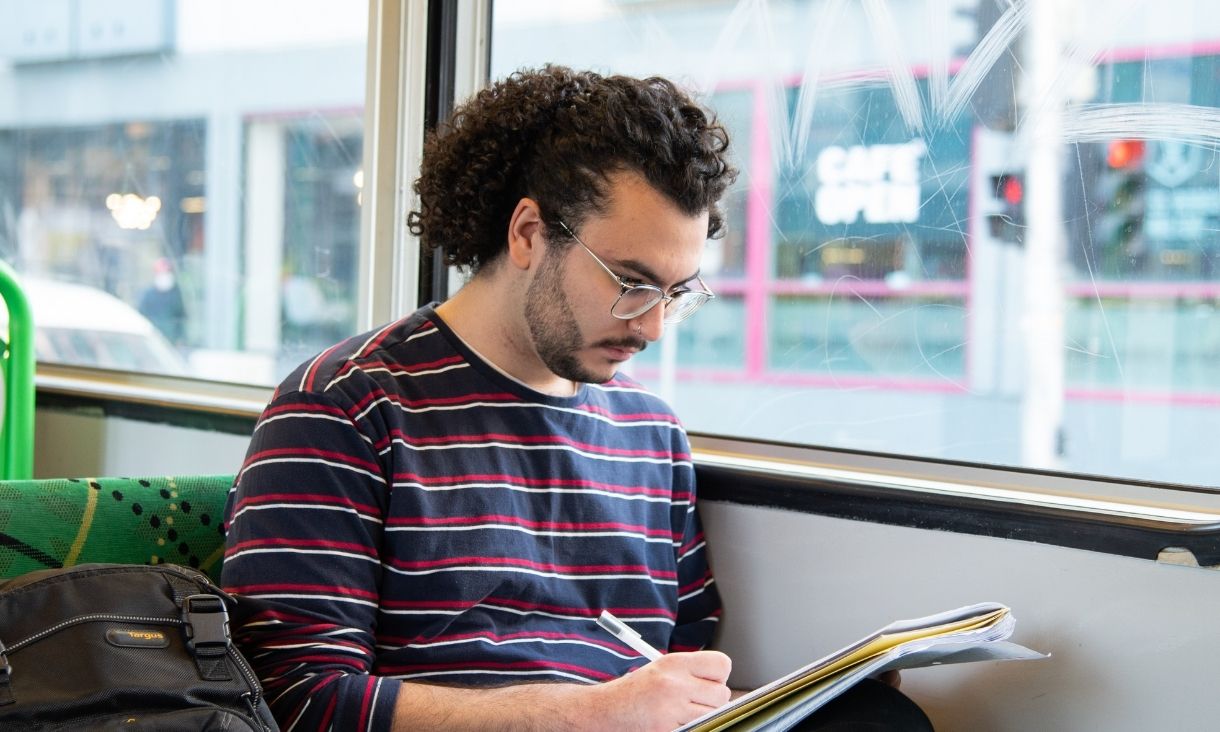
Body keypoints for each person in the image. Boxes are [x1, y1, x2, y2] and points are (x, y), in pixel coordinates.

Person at [222, 65, 931, 732]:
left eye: (675, 294)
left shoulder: (649, 433)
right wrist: (584, 714)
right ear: (529, 233)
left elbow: (672, 679)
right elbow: (295, 697)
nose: (652, 326)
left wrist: (811, 697)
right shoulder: (347, 407)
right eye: (630, 281)